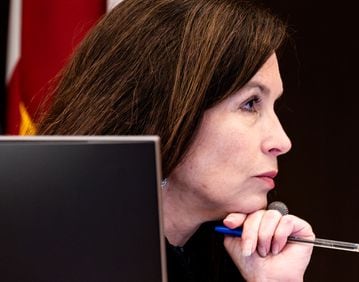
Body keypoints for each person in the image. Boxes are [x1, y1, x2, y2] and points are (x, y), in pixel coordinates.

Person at [38, 0, 315, 281]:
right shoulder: (49, 257)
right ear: (165, 111)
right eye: (250, 104)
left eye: (272, 106)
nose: (282, 141)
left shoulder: (234, 260)